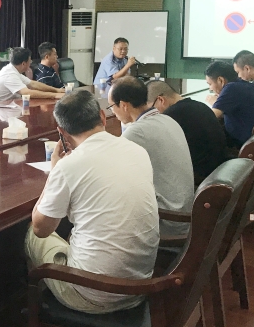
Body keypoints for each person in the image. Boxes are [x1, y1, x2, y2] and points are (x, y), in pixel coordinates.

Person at [25, 90, 159, 314]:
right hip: (141, 286)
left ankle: (37, 309)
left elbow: (41, 229)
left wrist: (54, 172)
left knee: (30, 233)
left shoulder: (68, 167)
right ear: (103, 117)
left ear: (62, 132)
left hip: (93, 294)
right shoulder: (137, 151)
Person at [108, 77, 194, 236]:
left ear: (124, 105)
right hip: (185, 213)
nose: (112, 111)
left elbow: (107, 171)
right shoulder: (167, 119)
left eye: (112, 106)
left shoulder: (136, 132)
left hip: (168, 222)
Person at [147, 80, 228, 185]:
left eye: (151, 109)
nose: (152, 114)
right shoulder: (201, 106)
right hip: (219, 169)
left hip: (198, 178)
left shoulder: (170, 117)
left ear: (161, 100)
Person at [205, 60, 254, 148]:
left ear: (221, 80)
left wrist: (215, 103)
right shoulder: (244, 85)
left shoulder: (231, 88)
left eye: (210, 84)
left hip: (249, 146)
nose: (210, 89)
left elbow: (210, 116)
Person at [0, 47, 64, 103]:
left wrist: (57, 90)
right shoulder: (9, 75)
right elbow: (27, 93)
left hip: (12, 104)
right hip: (0, 108)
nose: (30, 63)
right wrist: (54, 95)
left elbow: (33, 84)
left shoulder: (13, 69)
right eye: (30, 61)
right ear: (23, 64)